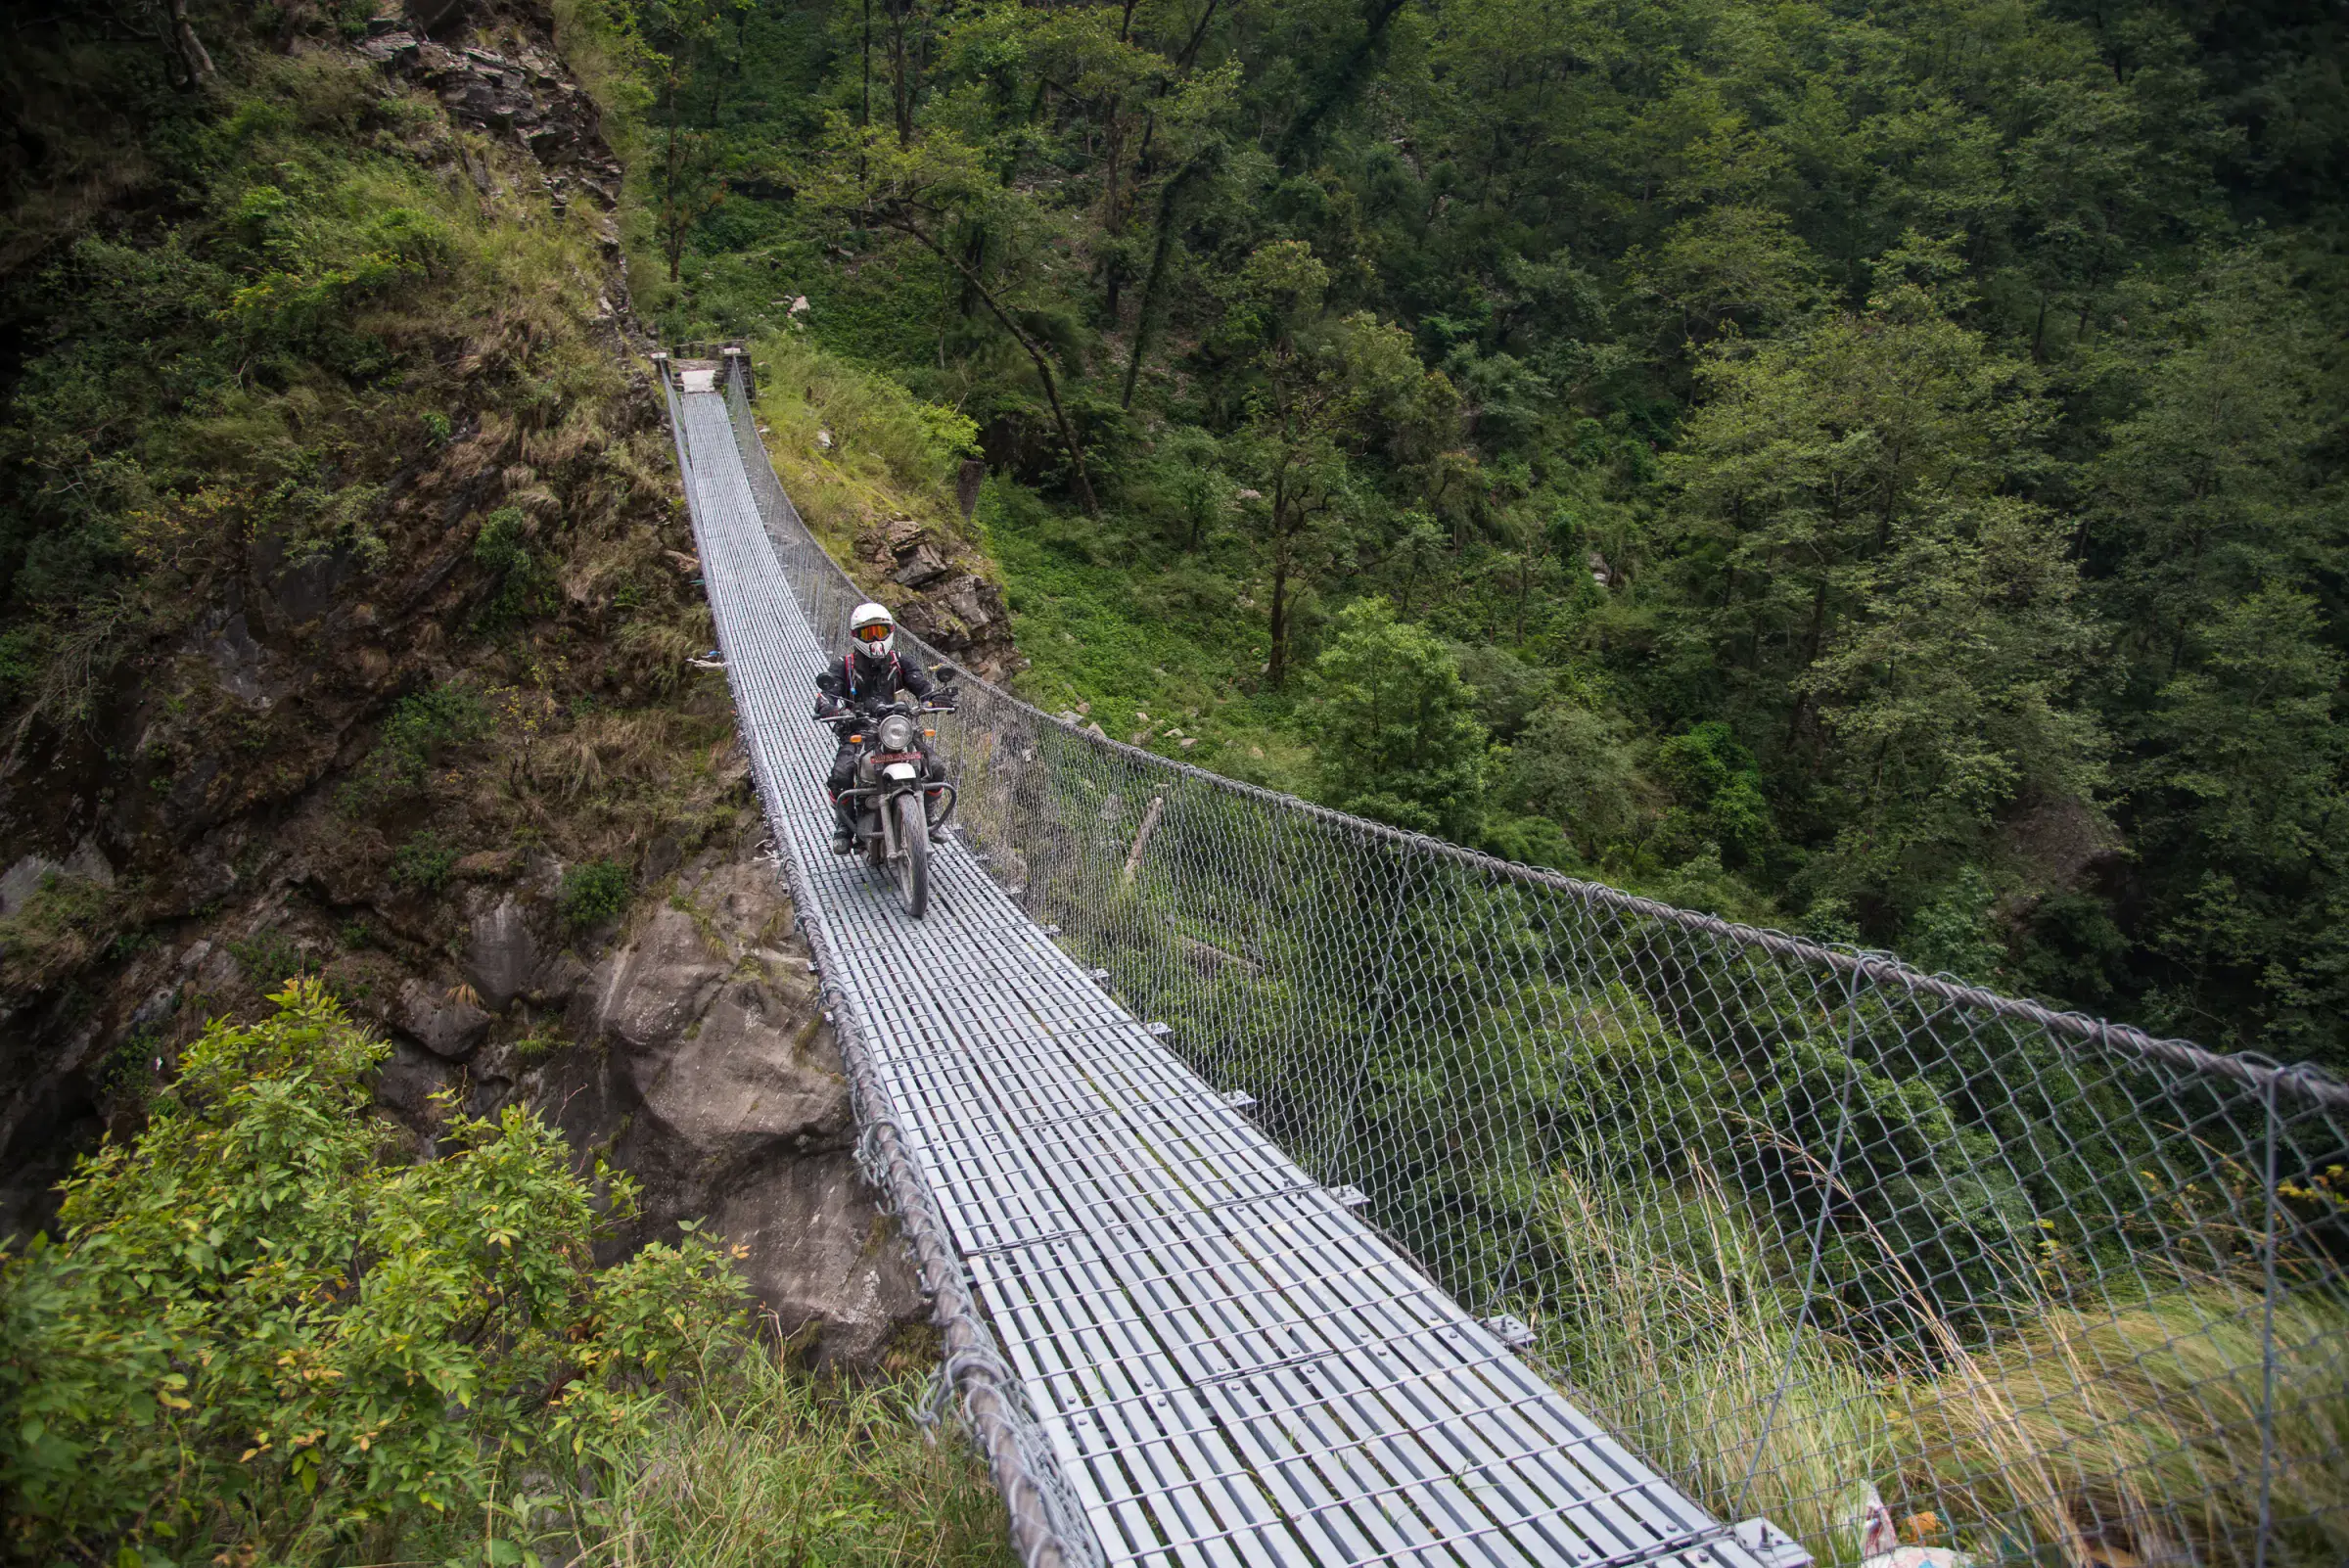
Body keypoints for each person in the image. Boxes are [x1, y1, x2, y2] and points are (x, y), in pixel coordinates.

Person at [815, 601, 951, 852]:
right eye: (869, 633)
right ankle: (844, 827)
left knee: (937, 768)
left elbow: (922, 687)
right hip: (860, 730)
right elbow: (828, 695)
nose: (876, 639)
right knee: (840, 775)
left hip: (898, 728)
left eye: (881, 631)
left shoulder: (901, 662)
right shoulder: (844, 666)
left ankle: (929, 817)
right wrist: (832, 708)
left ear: (891, 632)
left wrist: (934, 699)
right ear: (856, 636)